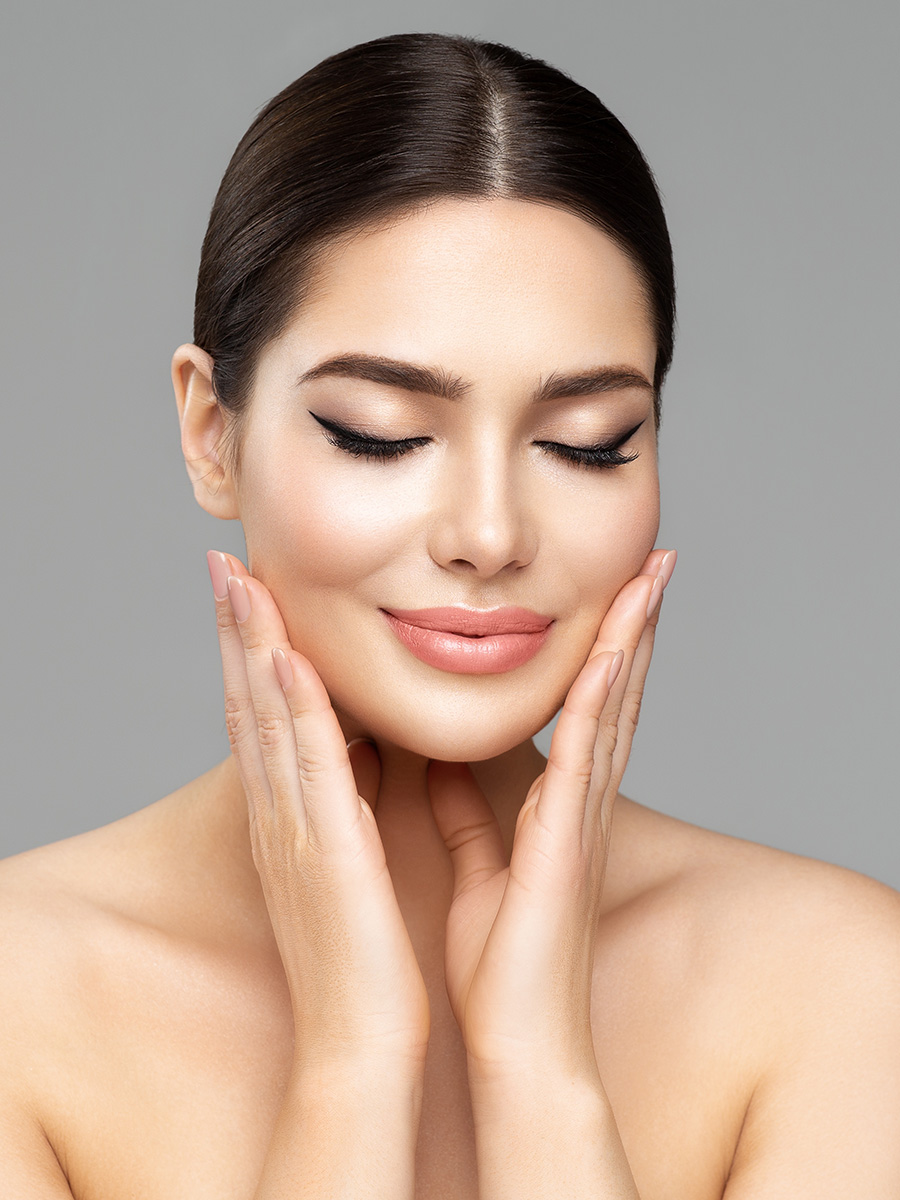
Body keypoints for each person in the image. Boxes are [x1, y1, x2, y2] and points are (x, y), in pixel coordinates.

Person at [1, 29, 898, 1200]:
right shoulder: (21, 997)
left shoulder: (842, 987)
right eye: (380, 432)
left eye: (588, 445)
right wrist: (352, 1066)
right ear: (210, 432)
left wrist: (539, 1077)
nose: (489, 532)